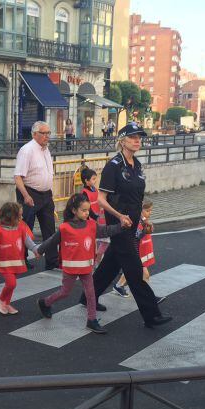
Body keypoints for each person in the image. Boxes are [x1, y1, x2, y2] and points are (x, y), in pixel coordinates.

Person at [86, 123, 173, 326]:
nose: (137, 140)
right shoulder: (113, 166)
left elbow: (137, 198)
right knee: (134, 269)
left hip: (133, 223)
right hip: (119, 225)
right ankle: (152, 314)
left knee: (111, 264)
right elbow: (101, 199)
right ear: (122, 140)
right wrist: (120, 216)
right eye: (133, 137)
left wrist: (143, 220)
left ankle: (87, 296)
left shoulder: (138, 165)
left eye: (139, 137)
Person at [36, 193, 123, 334]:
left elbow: (106, 231)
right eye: (84, 210)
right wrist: (40, 250)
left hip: (86, 268)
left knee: (90, 293)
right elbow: (52, 241)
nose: (87, 213)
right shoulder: (65, 228)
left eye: (88, 210)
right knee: (65, 292)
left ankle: (92, 320)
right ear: (74, 210)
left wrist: (121, 227)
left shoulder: (91, 225)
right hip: (70, 269)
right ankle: (45, 302)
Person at [14, 121, 57, 270]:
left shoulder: (46, 149)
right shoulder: (27, 150)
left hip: (46, 194)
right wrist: (25, 196)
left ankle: (52, 261)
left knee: (50, 228)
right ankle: (22, 259)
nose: (46, 136)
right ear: (34, 134)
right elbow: (18, 176)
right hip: (29, 192)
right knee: (26, 228)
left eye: (48, 133)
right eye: (43, 133)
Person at [0, 201, 36, 315]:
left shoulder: (21, 227)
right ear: (10, 217)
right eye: (19, 215)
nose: (22, 217)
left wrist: (36, 250)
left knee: (11, 284)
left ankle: (6, 303)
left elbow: (28, 242)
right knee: (12, 283)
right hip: (4, 262)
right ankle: (1, 299)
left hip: (16, 261)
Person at [114, 199, 158, 298]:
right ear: (140, 210)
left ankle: (119, 286)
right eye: (147, 210)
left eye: (151, 210)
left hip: (139, 251)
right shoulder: (138, 221)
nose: (150, 213)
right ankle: (148, 297)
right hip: (136, 250)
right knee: (145, 275)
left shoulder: (144, 220)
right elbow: (136, 235)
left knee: (131, 270)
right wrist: (145, 231)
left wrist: (148, 229)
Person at [80, 167, 108, 265]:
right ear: (86, 181)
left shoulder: (94, 189)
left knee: (98, 240)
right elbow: (87, 208)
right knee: (92, 241)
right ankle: (91, 259)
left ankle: (96, 259)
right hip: (90, 219)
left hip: (97, 218)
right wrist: (95, 217)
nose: (95, 181)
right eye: (93, 179)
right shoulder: (84, 192)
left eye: (95, 178)